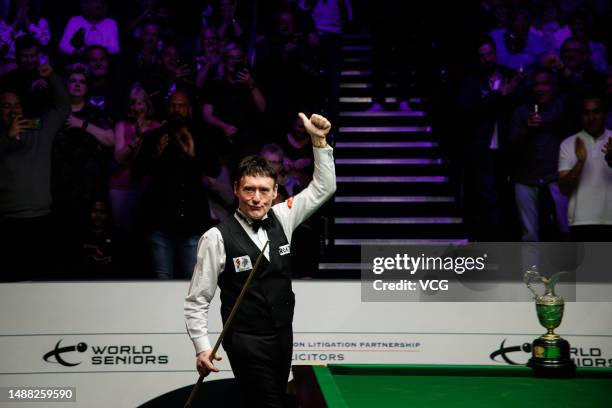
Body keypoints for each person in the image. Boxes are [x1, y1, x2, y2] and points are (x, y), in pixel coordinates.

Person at [184, 113, 336, 407]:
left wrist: (319, 142)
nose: (256, 197)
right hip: (245, 340)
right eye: (249, 189)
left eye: (264, 190)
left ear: (275, 192)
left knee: (270, 400)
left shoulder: (284, 216)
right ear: (237, 189)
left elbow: (323, 188)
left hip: (282, 335)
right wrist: (202, 348)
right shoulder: (215, 237)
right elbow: (197, 300)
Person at [131, 89, 220, 279]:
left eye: (181, 105)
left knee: (192, 282)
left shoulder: (201, 136)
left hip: (192, 223)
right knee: (162, 282)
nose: (176, 109)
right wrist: (154, 156)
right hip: (160, 223)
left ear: (189, 109)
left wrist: (194, 155)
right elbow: (135, 174)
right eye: (172, 105)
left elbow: (215, 170)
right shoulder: (153, 137)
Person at [0, 64, 71, 281]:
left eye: (17, 105)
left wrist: (52, 77)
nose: (13, 110)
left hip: (40, 219)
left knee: (38, 284)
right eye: (5, 106)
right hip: (7, 221)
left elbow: (62, 107)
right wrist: (8, 137)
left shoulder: (40, 130)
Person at [558, 95, 612, 241]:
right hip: (580, 221)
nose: (591, 117)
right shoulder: (569, 143)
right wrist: (580, 162)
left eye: (596, 112)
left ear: (604, 114)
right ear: (580, 116)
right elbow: (563, 188)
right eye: (586, 113)